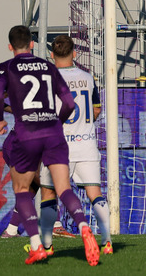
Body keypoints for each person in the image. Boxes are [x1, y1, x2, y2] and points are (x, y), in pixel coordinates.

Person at [0, 25, 99, 266]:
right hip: (53, 132)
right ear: (32, 44)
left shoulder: (6, 67)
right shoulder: (48, 67)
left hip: (26, 133)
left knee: (22, 190)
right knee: (63, 188)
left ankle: (37, 246)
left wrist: (0, 119)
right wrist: (55, 122)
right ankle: (83, 226)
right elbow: (69, 103)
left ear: (10, 46)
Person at [35, 34, 113, 254]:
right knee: (95, 193)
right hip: (87, 144)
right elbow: (96, 109)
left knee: (49, 194)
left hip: (58, 146)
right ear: (75, 54)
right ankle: (107, 242)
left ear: (51, 55)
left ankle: (48, 246)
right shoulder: (87, 78)